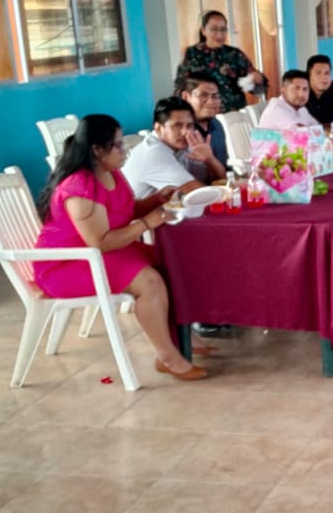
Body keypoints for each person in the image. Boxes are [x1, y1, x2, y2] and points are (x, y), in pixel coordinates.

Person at [32, 115, 207, 381]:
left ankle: (179, 339)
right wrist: (147, 223)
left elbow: (122, 211)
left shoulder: (110, 172)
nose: (124, 151)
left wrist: (154, 200)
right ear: (97, 150)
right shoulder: (79, 187)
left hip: (102, 254)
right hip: (69, 264)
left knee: (172, 263)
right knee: (149, 282)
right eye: (117, 145)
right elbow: (100, 241)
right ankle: (167, 357)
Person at [122, 97, 225, 200]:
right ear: (158, 128)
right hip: (141, 210)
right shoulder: (153, 152)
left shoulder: (183, 145)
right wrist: (227, 193)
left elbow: (219, 181)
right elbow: (196, 191)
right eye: (177, 126)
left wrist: (210, 160)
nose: (185, 132)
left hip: (170, 207)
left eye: (189, 125)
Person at [174, 10, 266, 113]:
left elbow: (256, 89)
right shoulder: (192, 53)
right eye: (214, 29)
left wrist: (257, 80)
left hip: (233, 114)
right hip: (204, 112)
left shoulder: (235, 54)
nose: (219, 34)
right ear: (203, 30)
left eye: (223, 29)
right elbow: (180, 85)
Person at [177, 72, 229, 170]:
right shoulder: (180, 132)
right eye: (203, 95)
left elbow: (223, 168)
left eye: (215, 96)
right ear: (186, 97)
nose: (211, 102)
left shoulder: (217, 125)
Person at [303, 54, 333, 125]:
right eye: (318, 73)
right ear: (309, 75)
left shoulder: (330, 95)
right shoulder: (302, 98)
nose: (323, 77)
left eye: (327, 73)